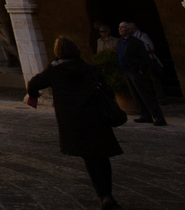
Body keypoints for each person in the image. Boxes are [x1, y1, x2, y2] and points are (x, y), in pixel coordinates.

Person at [25, 36, 124, 210]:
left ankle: (104, 195)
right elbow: (106, 90)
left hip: (75, 120)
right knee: (102, 156)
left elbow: (33, 84)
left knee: (90, 158)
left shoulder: (55, 71)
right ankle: (107, 193)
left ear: (58, 52)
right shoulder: (89, 69)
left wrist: (34, 95)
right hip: (96, 116)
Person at [117, 21, 166, 126]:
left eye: (123, 27)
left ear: (129, 30)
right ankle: (145, 115)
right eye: (119, 27)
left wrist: (140, 71)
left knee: (146, 95)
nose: (120, 29)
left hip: (135, 72)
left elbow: (144, 58)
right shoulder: (120, 42)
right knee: (136, 96)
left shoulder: (136, 42)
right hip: (127, 72)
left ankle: (158, 117)